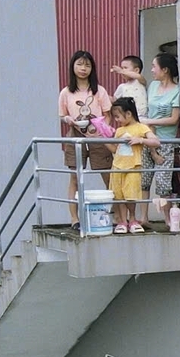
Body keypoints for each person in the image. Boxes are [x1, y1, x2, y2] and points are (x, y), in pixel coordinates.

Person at [58, 50, 112, 215]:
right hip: (75, 135)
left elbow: (108, 115)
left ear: (92, 69)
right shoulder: (66, 92)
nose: (83, 68)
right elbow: (62, 115)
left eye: (87, 65)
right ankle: (75, 218)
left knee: (108, 175)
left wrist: (102, 131)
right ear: (73, 66)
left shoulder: (99, 91)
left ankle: (117, 216)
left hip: (98, 137)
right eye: (80, 64)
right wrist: (69, 120)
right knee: (75, 177)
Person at [143, 52, 180, 231]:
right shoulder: (152, 86)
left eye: (154, 66)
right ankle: (143, 217)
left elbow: (174, 119)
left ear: (165, 70)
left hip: (166, 140)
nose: (152, 70)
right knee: (144, 179)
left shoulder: (178, 90)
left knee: (163, 181)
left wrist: (149, 122)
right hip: (148, 137)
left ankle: (168, 218)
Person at [106, 98, 155, 233]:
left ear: (128, 114)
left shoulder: (141, 127)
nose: (116, 120)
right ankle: (123, 221)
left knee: (131, 195)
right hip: (117, 166)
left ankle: (132, 219)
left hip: (133, 166)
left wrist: (140, 140)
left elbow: (155, 141)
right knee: (119, 195)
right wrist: (102, 139)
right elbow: (115, 149)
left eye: (118, 116)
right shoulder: (119, 130)